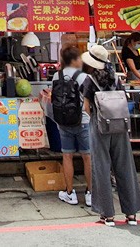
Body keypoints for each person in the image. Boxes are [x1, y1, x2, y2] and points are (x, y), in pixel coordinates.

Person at [81, 43, 140, 227]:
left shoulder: (89, 80)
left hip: (100, 125)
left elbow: (86, 107)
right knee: (125, 165)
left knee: (101, 167)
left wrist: (96, 115)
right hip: (120, 124)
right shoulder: (117, 79)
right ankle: (131, 213)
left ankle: (107, 214)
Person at [52, 46, 92, 207]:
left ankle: (69, 193)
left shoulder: (57, 75)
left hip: (63, 122)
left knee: (67, 156)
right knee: (87, 157)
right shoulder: (84, 77)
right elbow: (90, 98)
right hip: (83, 121)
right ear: (75, 60)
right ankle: (90, 193)